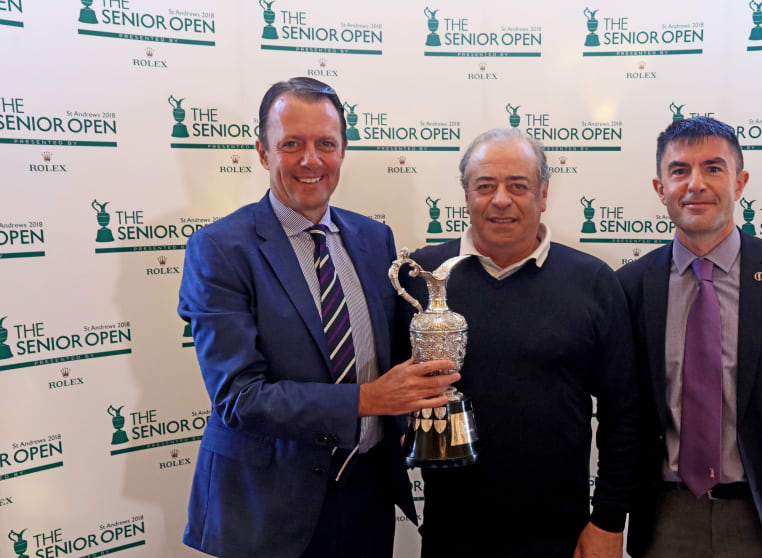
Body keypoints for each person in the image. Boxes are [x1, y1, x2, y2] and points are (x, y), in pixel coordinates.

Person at [178, 77, 458, 558]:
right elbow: (239, 398)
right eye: (292, 144)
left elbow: (388, 357)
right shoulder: (220, 249)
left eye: (325, 143)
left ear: (342, 151)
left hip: (367, 496)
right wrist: (367, 399)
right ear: (264, 153)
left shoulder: (375, 239)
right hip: (267, 508)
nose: (311, 160)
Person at [396, 128, 639, 558]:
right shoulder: (425, 276)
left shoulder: (593, 282)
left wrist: (608, 520)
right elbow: (390, 389)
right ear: (466, 195)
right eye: (484, 186)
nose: (501, 199)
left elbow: (625, 415)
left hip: (561, 537)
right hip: (451, 535)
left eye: (518, 186)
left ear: (543, 194)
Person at [617, 116, 762, 558]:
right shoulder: (629, 287)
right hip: (666, 514)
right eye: (679, 170)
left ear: (740, 182)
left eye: (713, 168)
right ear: (659, 187)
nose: (695, 184)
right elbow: (626, 405)